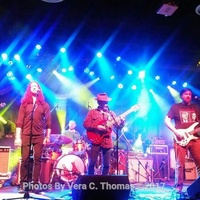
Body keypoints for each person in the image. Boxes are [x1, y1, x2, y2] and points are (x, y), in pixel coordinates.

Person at [14, 81, 51, 193]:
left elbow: (49, 123)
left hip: (39, 135)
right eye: (32, 86)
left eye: (36, 86)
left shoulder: (44, 105)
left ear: (39, 89)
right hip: (25, 134)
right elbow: (19, 122)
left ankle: (35, 184)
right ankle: (23, 184)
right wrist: (17, 137)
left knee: (37, 160)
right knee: (25, 159)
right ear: (29, 89)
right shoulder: (25, 104)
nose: (35, 88)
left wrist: (47, 137)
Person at [165, 88, 200, 193]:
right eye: (186, 94)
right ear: (181, 96)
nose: (188, 95)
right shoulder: (175, 107)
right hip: (180, 139)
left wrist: (193, 132)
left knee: (199, 163)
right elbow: (166, 120)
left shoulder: (196, 107)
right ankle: (178, 188)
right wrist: (176, 132)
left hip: (195, 139)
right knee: (180, 165)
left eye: (190, 94)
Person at [83, 93, 125, 175]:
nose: (105, 103)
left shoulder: (111, 113)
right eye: (103, 102)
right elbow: (85, 124)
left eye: (106, 102)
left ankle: (104, 183)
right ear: (99, 102)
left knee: (106, 165)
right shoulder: (92, 112)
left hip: (107, 141)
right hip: (95, 140)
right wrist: (97, 127)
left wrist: (122, 122)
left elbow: (118, 127)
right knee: (92, 163)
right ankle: (90, 182)